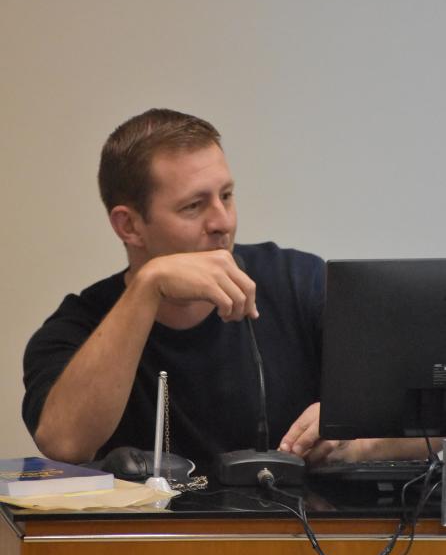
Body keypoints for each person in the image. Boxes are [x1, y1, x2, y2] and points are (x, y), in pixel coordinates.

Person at [22, 108, 440, 468]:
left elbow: (434, 421)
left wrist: (358, 442)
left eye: (226, 195)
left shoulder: (300, 282)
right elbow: (65, 444)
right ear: (129, 225)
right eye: (193, 206)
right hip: (151, 539)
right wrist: (148, 286)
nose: (222, 222)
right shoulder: (78, 327)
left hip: (301, 533)